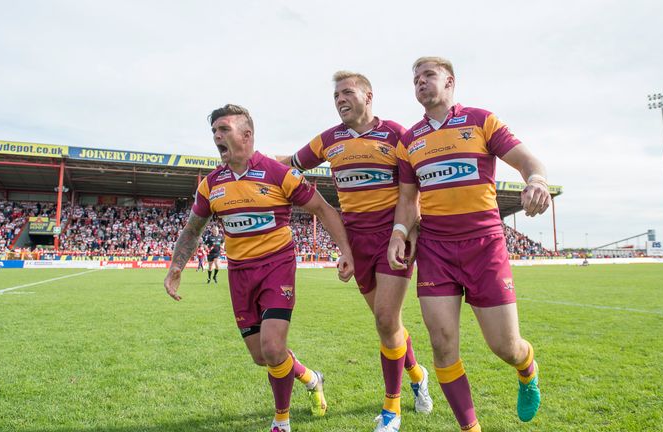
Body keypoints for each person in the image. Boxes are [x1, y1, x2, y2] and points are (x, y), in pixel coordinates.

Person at [164, 104, 355, 432]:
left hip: (276, 268)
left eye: (223, 129)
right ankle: (311, 377)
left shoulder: (278, 173)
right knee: (262, 356)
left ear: (247, 135)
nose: (216, 137)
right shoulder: (211, 185)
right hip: (239, 274)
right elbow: (193, 228)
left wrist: (346, 251)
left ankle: (281, 420)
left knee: (272, 347)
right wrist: (176, 266)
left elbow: (323, 209)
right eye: (214, 132)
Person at [388, 56, 551, 431]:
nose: (420, 83)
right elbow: (408, 200)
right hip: (435, 250)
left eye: (428, 75)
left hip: (484, 246)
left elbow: (528, 161)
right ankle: (470, 428)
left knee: (504, 347)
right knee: (443, 345)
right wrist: (399, 233)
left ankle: (527, 368)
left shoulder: (481, 121)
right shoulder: (409, 140)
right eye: (415, 79)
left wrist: (537, 181)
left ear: (450, 82)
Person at [280, 71, 433, 432]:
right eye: (335, 96)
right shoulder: (328, 140)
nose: (340, 100)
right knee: (388, 323)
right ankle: (417, 373)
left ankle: (391, 410)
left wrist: (408, 228)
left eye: (347, 93)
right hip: (357, 242)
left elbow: (414, 189)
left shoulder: (396, 134)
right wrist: (247, 159)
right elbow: (290, 163)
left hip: (394, 238)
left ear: (368, 95)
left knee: (384, 319)